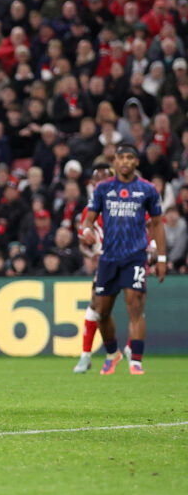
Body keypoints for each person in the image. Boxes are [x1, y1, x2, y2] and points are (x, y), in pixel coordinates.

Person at [79, 144, 166, 376]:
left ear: (136, 162)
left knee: (135, 306)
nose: (125, 161)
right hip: (109, 258)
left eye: (130, 157)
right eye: (121, 157)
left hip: (135, 256)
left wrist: (162, 258)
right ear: (115, 162)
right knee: (101, 311)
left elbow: (157, 223)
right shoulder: (102, 189)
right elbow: (89, 219)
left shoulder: (147, 189)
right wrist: (87, 230)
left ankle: (136, 361)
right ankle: (113, 353)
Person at [73, 157, 112, 373]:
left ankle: (132, 353)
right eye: (96, 180)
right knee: (97, 308)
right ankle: (86, 355)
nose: (99, 184)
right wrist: (91, 252)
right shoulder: (90, 210)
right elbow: (83, 244)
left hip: (129, 260)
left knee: (135, 305)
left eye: (104, 179)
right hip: (106, 263)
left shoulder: (128, 201)